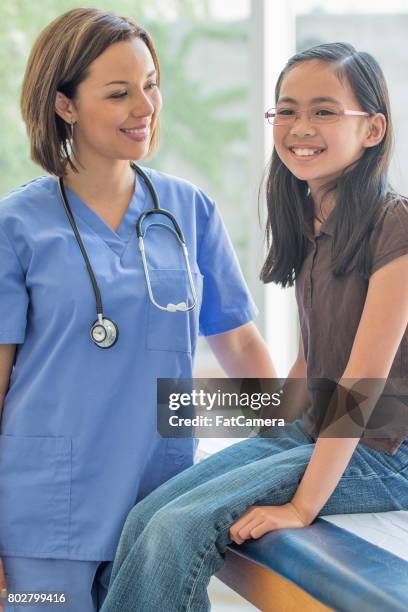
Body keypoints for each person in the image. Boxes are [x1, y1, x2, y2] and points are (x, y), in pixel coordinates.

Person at [100, 42, 408, 612]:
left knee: (178, 528)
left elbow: (362, 380)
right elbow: (314, 358)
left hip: (386, 449)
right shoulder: (314, 218)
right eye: (286, 110)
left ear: (373, 129)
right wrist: (267, 440)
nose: (299, 127)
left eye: (323, 110)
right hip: (320, 424)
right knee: (147, 513)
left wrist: (300, 507)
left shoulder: (396, 226)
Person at [0, 8, 276, 612]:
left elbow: (241, 350)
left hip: (161, 510)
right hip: (46, 517)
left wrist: (296, 452)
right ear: (65, 105)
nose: (145, 106)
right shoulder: (15, 225)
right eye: (120, 92)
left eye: (151, 84)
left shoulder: (189, 210)